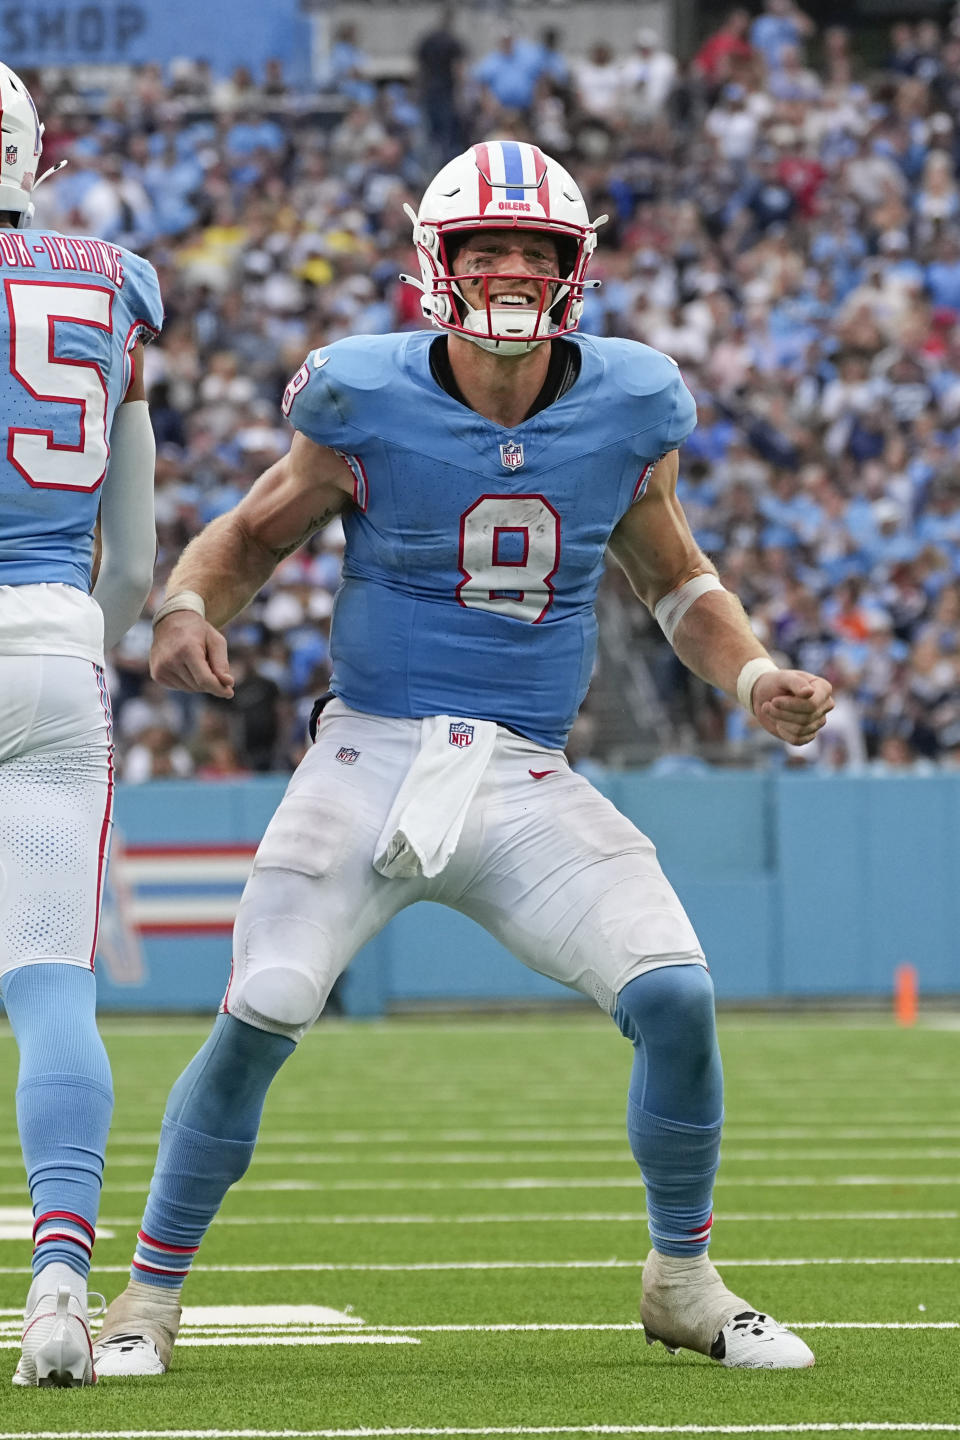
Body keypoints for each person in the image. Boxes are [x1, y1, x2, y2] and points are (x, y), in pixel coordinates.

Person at [93, 141, 832, 1378]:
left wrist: (756, 675)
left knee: (678, 996)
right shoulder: (362, 399)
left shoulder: (629, 404)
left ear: (573, 267)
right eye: (484, 248)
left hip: (526, 772)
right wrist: (183, 609)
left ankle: (684, 1279)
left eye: (532, 250)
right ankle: (146, 1301)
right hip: (370, 749)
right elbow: (255, 532)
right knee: (267, 1001)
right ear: (436, 264)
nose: (508, 270)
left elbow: (678, 580)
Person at [0, 63, 163, 1386]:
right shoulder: (112, 278)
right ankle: (59, 1287)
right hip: (52, 647)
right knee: (51, 985)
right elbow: (136, 550)